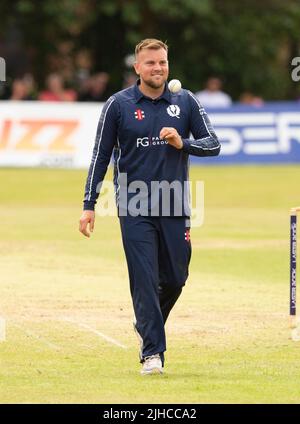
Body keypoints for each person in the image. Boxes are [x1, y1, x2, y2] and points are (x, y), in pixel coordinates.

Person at [79, 38, 220, 375]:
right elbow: (100, 156)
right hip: (133, 203)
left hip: (174, 203)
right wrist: (89, 205)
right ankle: (152, 353)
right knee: (144, 277)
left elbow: (213, 144)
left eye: (163, 62)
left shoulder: (184, 101)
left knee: (175, 277)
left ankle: (145, 318)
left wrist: (182, 142)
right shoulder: (118, 105)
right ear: (137, 68)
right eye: (151, 63)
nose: (158, 68)